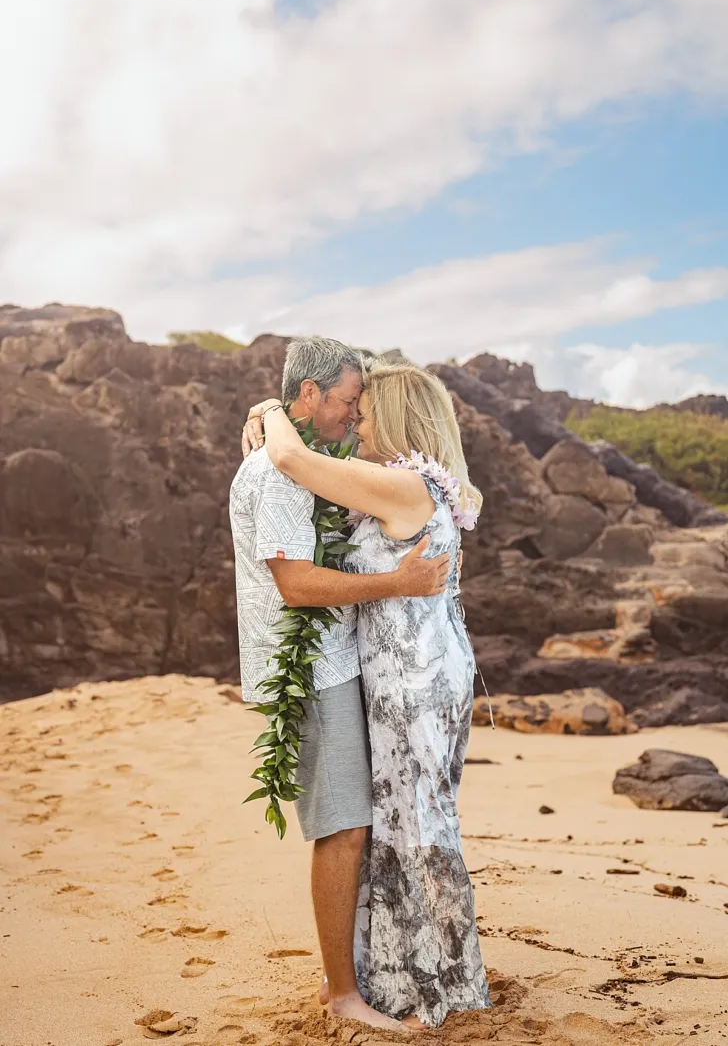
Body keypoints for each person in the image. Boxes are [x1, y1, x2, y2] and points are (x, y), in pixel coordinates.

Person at [243, 362, 491, 1030]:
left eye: (367, 410)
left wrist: (271, 409)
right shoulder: (399, 485)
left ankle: (439, 986)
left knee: (417, 822)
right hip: (408, 669)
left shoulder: (405, 484)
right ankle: (409, 972)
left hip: (413, 676)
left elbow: (291, 456)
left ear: (401, 417)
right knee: (404, 821)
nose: (356, 420)